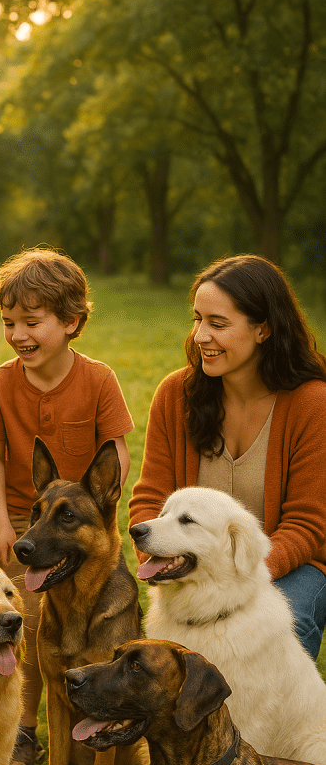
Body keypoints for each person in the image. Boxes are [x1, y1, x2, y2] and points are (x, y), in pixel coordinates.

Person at [0, 247, 134, 765]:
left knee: (87, 622)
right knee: (30, 623)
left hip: (82, 521)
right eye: (8, 322)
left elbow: (117, 448)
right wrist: (1, 522)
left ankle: (96, 716)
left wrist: (102, 496)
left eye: (31, 322)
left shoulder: (99, 380)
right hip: (27, 523)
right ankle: (24, 729)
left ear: (70, 321)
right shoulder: (0, 383)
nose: (18, 334)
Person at [129, 254, 326, 658]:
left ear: (263, 329)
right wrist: (167, 559)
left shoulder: (313, 405)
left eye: (218, 324)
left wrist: (241, 581)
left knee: (286, 622)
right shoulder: (175, 395)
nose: (201, 335)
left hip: (295, 564)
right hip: (196, 563)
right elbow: (150, 497)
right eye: (197, 319)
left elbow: (307, 523)